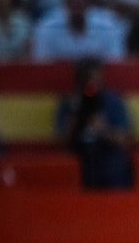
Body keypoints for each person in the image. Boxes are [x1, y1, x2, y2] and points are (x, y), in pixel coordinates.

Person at [56, 57, 134, 188]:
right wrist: (75, 117)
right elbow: (61, 141)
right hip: (78, 154)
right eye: (88, 80)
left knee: (118, 166)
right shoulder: (70, 103)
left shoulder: (112, 102)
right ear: (80, 81)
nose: (93, 85)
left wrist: (103, 129)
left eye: (97, 80)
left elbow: (124, 140)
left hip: (108, 154)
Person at [33, 0, 127, 61]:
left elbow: (115, 63)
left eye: (80, 4)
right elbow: (42, 64)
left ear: (89, 4)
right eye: (73, 4)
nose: (77, 8)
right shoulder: (47, 27)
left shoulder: (108, 27)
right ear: (65, 3)